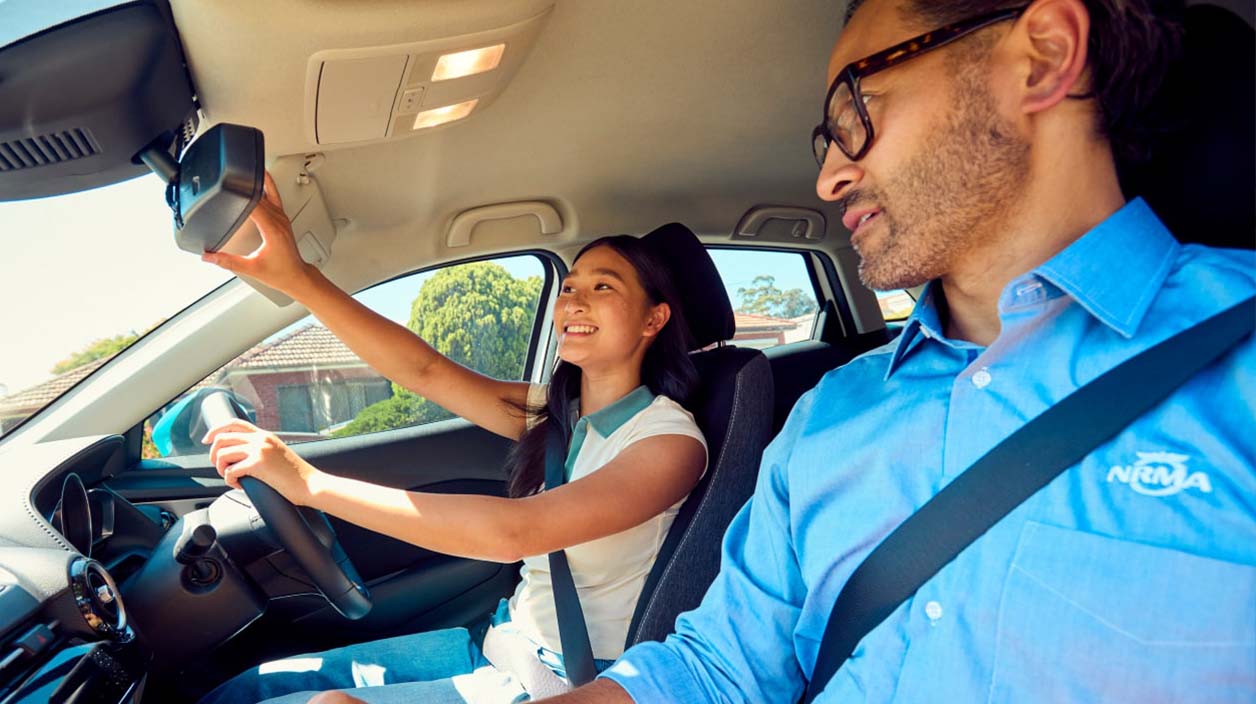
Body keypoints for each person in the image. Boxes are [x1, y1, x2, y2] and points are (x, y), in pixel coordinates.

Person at [440, 0, 1245, 702]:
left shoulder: (1234, 368)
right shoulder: (831, 414)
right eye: (827, 136)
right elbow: (717, 671)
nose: (828, 177)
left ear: (1042, 57)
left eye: (858, 109)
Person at [195, 175, 709, 703]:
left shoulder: (670, 441)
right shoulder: (555, 412)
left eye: (604, 287)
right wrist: (299, 278)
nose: (574, 301)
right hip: (498, 645)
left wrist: (309, 484)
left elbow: (515, 532)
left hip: (560, 678)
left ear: (654, 318)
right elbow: (424, 372)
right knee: (250, 689)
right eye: (570, 286)